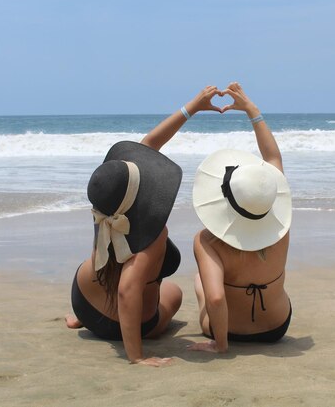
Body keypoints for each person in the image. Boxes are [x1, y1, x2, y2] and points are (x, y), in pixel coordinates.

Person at [66, 86, 223, 366]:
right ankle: (126, 341)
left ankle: (80, 319)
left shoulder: (106, 206)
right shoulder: (150, 236)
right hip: (121, 324)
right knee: (173, 293)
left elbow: (149, 145)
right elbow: (127, 291)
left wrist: (193, 107)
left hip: (82, 300)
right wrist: (137, 357)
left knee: (109, 269)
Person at [189, 82, 293, 353]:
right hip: (276, 327)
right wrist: (251, 110)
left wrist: (220, 345)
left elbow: (215, 297)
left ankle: (222, 338)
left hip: (228, 331)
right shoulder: (283, 226)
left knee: (202, 282)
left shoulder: (207, 241)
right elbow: (273, 157)